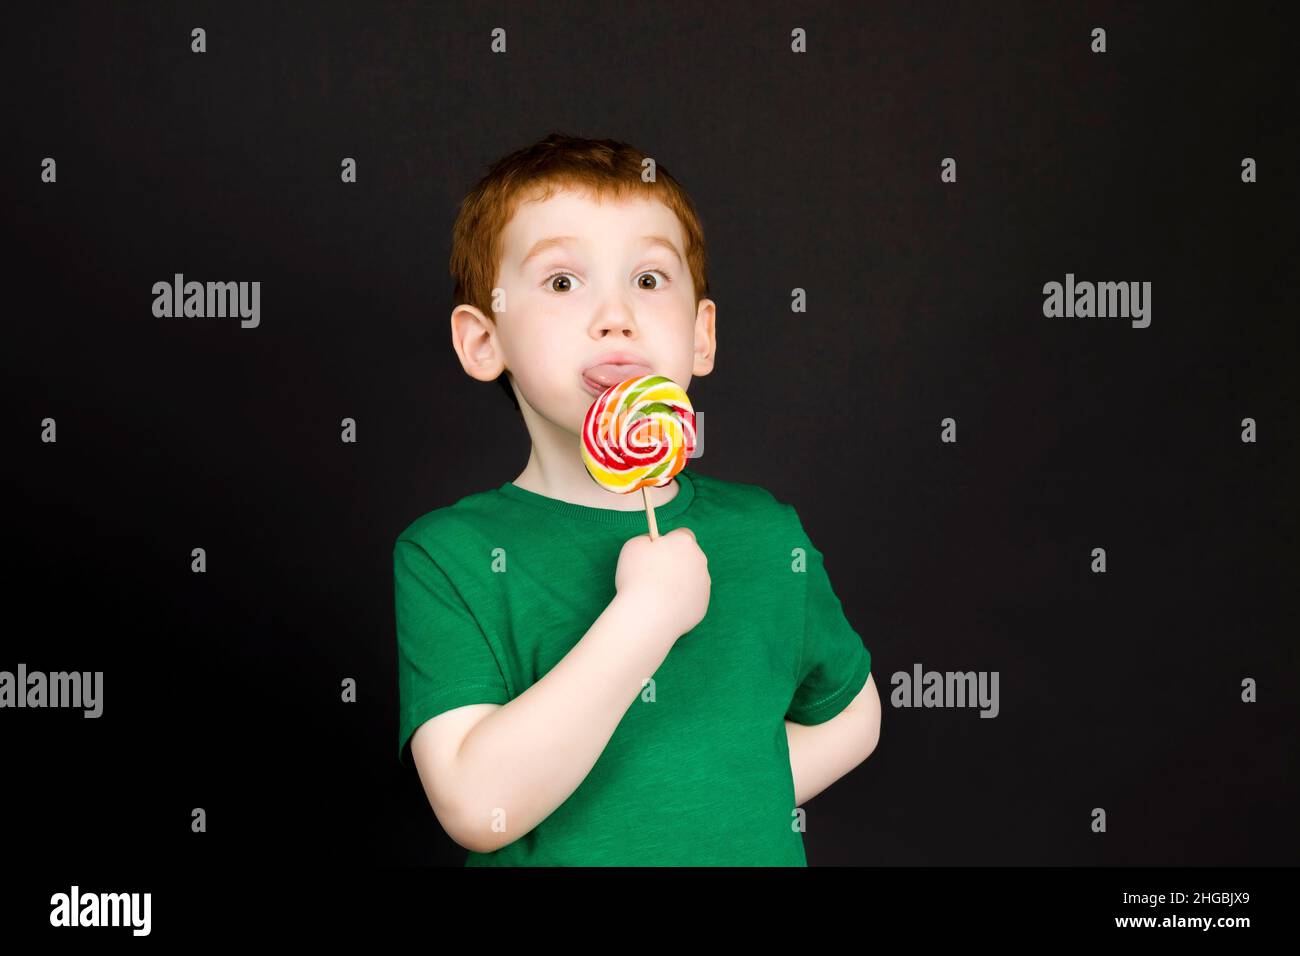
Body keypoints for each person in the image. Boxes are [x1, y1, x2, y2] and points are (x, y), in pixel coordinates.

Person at [394, 132, 881, 865]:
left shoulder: (764, 532)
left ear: (702, 335)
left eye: (650, 280)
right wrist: (644, 617)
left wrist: (712, 797)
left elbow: (856, 717)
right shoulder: (449, 556)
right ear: (483, 341)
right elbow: (474, 804)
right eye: (563, 282)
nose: (616, 314)